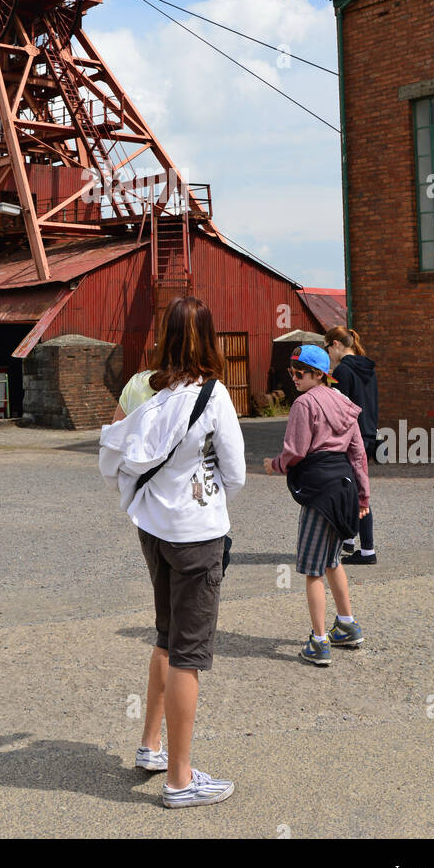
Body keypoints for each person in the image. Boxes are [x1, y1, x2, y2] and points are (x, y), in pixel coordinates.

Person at [99, 296, 246, 808]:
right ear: (209, 337)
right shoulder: (214, 395)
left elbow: (116, 448)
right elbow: (237, 473)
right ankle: (181, 780)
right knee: (189, 654)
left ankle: (151, 744)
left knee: (165, 637)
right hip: (196, 533)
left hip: (153, 528)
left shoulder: (148, 390)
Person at [263, 344, 369, 666]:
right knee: (332, 561)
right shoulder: (346, 403)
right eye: (291, 372)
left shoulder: (304, 404)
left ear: (319, 374)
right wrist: (363, 496)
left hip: (318, 492)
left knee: (311, 570)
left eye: (300, 373)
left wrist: (275, 465)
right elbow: (358, 454)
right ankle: (347, 625)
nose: (294, 378)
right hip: (344, 488)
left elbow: (295, 451)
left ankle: (319, 641)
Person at [324, 325, 379, 565]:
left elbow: (338, 410)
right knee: (355, 487)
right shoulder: (367, 367)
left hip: (350, 437)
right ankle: (349, 541)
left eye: (327, 348)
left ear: (335, 345)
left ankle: (367, 550)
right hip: (368, 433)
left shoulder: (343, 371)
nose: (327, 355)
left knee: (354, 492)